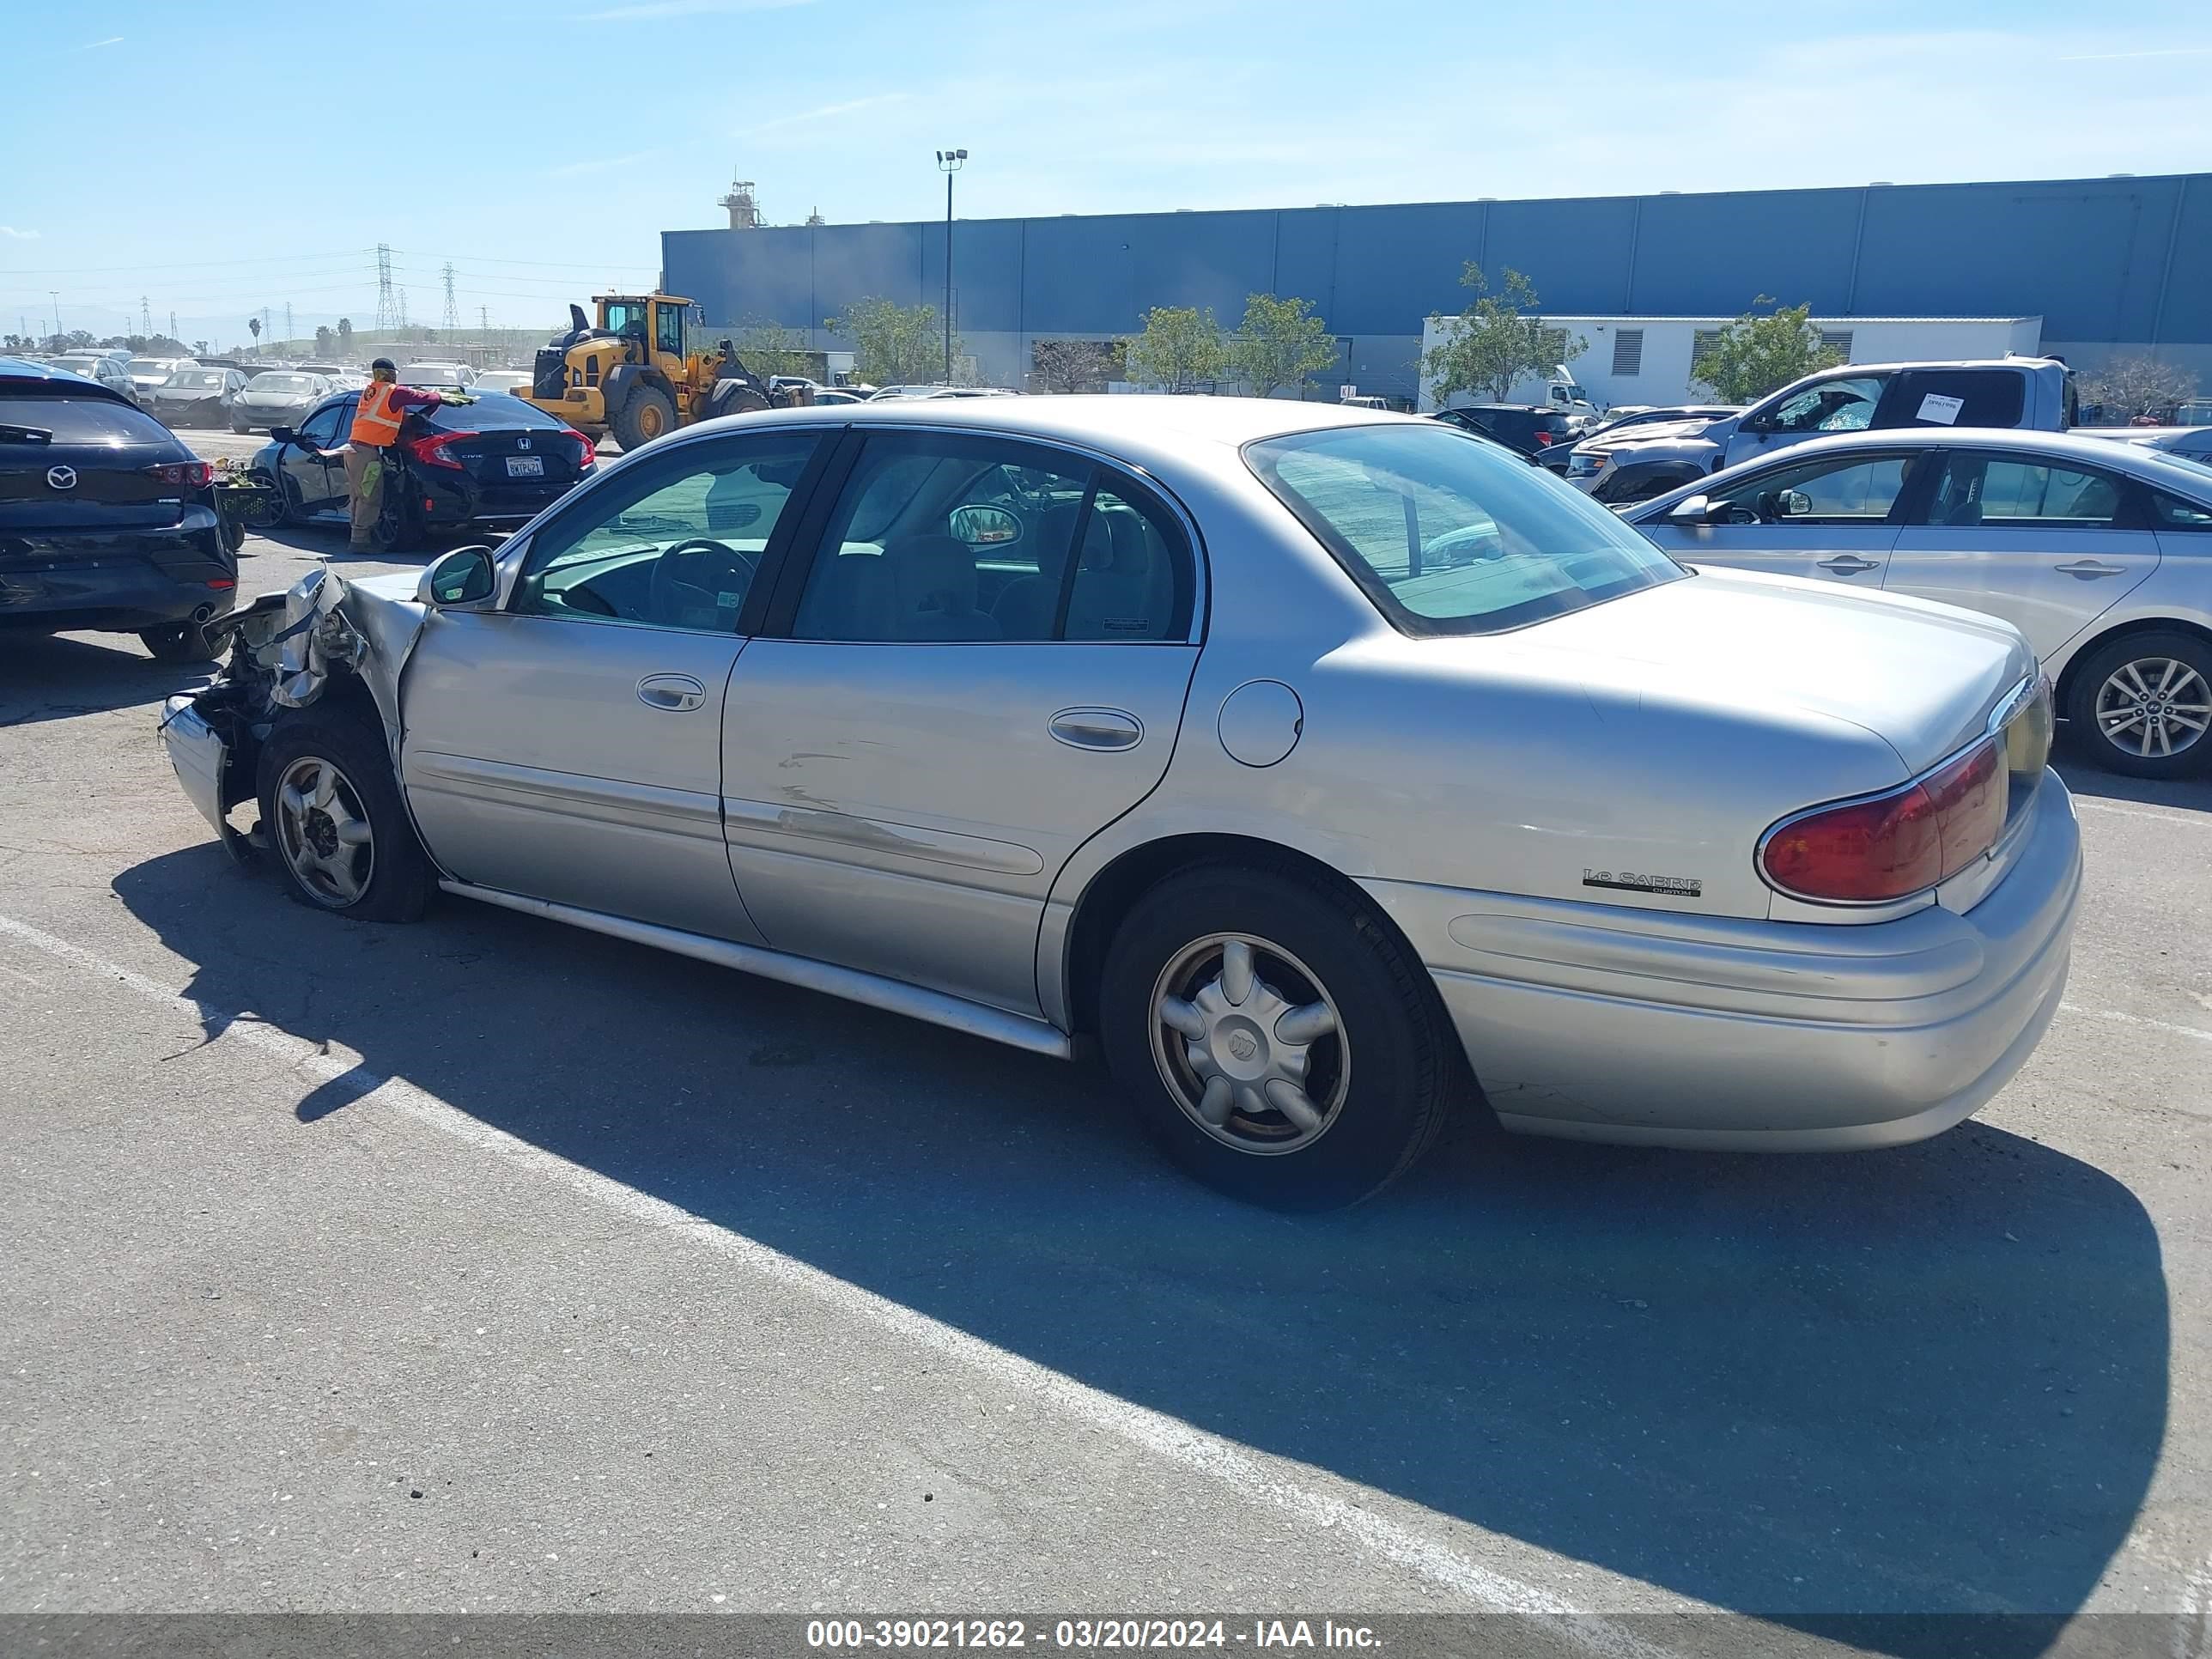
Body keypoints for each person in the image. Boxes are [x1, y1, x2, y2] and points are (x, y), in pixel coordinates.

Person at [337, 359, 460, 551]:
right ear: (391, 373)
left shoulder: (371, 390)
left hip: (354, 449)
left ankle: (358, 537)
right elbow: (427, 399)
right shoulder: (395, 392)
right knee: (370, 496)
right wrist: (441, 396)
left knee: (359, 495)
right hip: (367, 451)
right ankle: (360, 541)